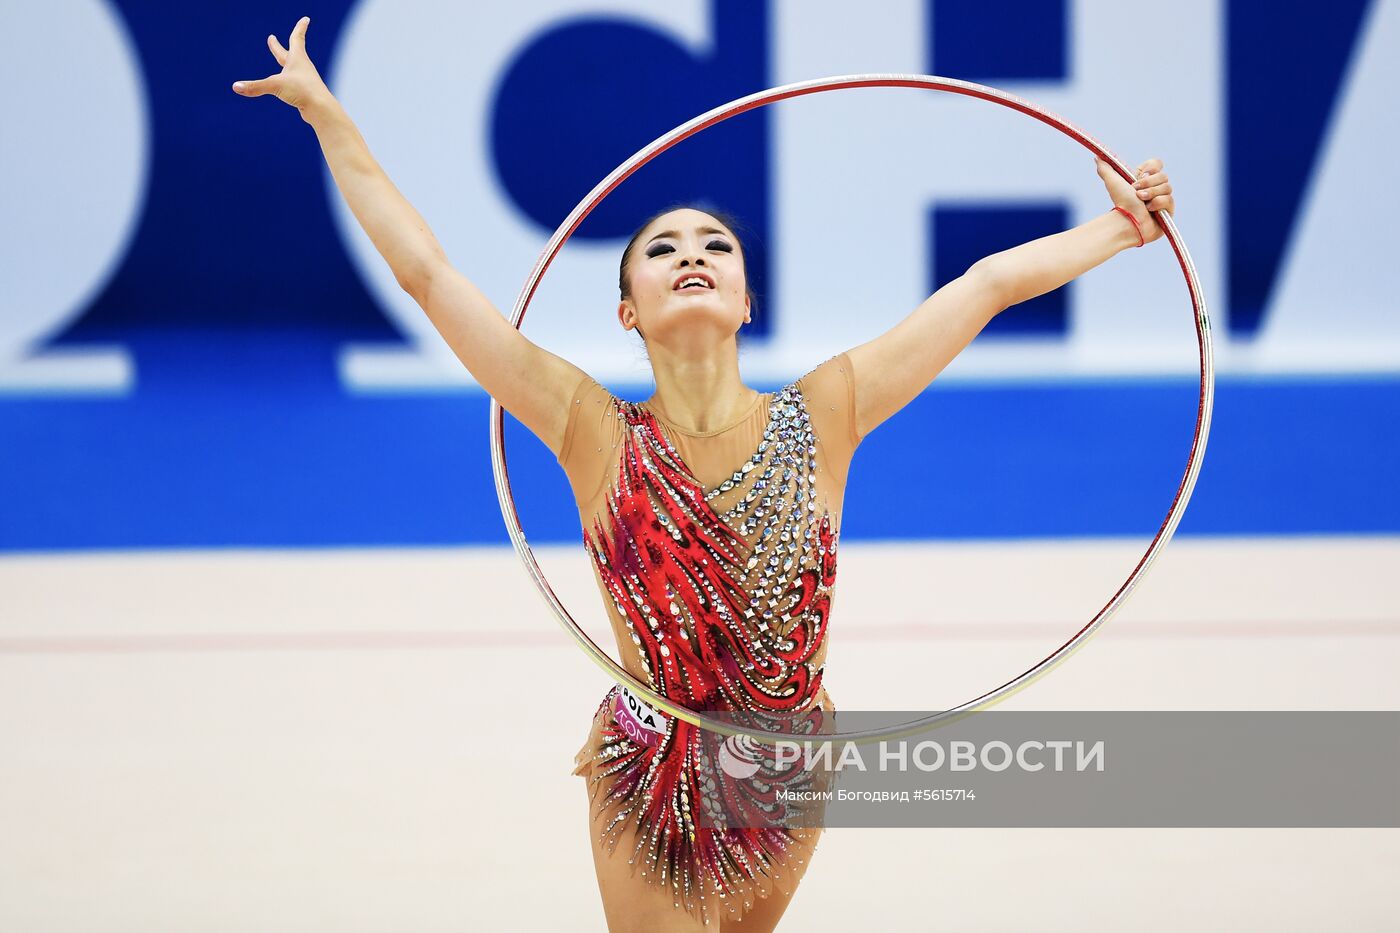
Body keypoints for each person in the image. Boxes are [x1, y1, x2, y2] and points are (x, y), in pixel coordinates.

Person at [234, 17, 1176, 932]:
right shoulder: (586, 427)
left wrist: (1123, 228)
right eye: (662, 249)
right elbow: (428, 275)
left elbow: (985, 285)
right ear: (627, 311)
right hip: (653, 760)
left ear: (746, 300)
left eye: (714, 245)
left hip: (793, 759)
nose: (692, 254)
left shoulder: (826, 412)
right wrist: (330, 120)